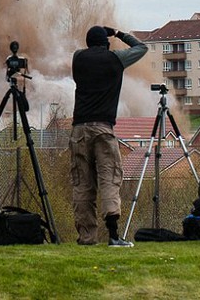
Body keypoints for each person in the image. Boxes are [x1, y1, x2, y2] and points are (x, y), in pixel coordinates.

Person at [70, 25, 148, 247]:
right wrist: (118, 33)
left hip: (79, 129)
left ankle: (86, 237)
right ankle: (113, 236)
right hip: (104, 129)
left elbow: (85, 53)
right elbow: (141, 47)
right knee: (109, 179)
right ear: (106, 43)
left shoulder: (78, 59)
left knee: (82, 184)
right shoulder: (115, 59)